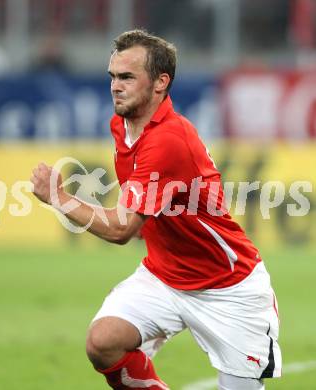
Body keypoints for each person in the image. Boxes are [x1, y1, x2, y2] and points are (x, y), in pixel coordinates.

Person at [31, 29, 282, 390]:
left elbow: (122, 229)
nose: (115, 86)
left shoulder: (168, 139)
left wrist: (59, 197)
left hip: (227, 288)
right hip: (164, 277)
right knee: (104, 342)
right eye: (113, 77)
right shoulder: (122, 125)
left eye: (127, 77)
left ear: (160, 83)